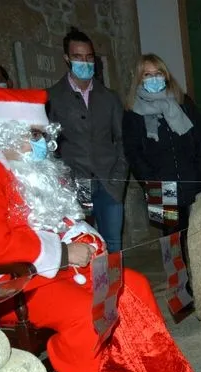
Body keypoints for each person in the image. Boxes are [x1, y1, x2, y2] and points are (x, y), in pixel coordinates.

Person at [0, 86, 201, 372]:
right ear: (5, 132)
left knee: (130, 284)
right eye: (36, 135)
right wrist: (63, 254)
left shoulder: (24, 166)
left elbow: (56, 219)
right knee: (82, 309)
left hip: (42, 267)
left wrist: (80, 237)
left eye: (44, 134)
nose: (44, 144)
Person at [122, 53, 201, 266]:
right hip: (159, 185)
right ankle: (178, 285)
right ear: (139, 79)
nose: (154, 78)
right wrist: (150, 181)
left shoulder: (183, 102)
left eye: (158, 73)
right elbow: (133, 152)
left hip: (192, 180)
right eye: (147, 74)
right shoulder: (132, 112)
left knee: (198, 234)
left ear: (166, 75)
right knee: (171, 241)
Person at [46, 27, 128, 252]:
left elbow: (122, 139)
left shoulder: (109, 98)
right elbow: (49, 144)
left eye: (89, 57)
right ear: (67, 58)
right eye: (78, 57)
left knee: (113, 244)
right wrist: (61, 180)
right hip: (74, 185)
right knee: (83, 244)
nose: (85, 62)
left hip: (109, 182)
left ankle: (114, 278)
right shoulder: (52, 97)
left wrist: (119, 176)